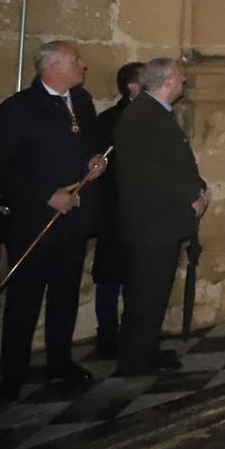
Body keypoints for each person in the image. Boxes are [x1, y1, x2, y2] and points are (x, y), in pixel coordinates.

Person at [0, 41, 107, 403]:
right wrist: (46, 195)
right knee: (25, 298)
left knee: (65, 294)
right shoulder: (16, 109)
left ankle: (60, 361)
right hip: (36, 220)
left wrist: (95, 162)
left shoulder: (81, 101)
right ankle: (13, 373)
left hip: (75, 218)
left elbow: (88, 144)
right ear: (54, 67)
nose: (83, 65)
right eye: (76, 61)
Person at [114, 58, 207, 376]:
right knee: (146, 293)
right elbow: (151, 169)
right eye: (180, 77)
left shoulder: (152, 112)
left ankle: (145, 350)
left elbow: (172, 162)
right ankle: (135, 360)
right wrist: (191, 195)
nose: (184, 81)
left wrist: (198, 187)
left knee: (153, 292)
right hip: (152, 222)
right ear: (167, 81)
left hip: (159, 221)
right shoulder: (144, 115)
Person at [91, 61, 144, 358]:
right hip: (117, 208)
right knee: (112, 276)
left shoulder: (141, 116)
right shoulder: (115, 119)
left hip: (128, 208)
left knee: (132, 275)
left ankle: (125, 333)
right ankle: (110, 335)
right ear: (132, 87)